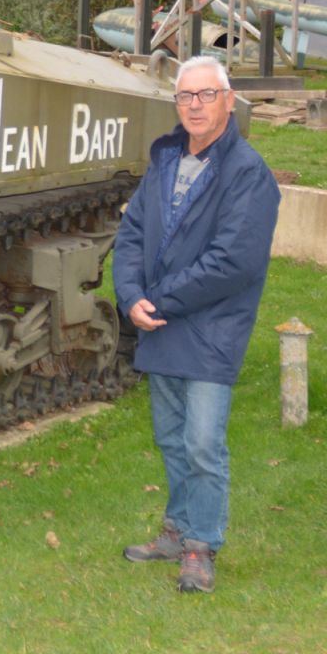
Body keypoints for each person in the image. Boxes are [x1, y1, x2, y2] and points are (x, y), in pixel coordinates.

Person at [114, 56, 280, 594]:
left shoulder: (247, 172)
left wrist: (156, 299)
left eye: (207, 95)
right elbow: (132, 234)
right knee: (171, 438)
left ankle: (201, 545)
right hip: (161, 323)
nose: (195, 105)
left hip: (211, 328)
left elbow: (234, 262)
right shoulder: (165, 159)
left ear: (228, 101)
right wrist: (130, 295)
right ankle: (177, 529)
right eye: (186, 96)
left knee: (203, 443)